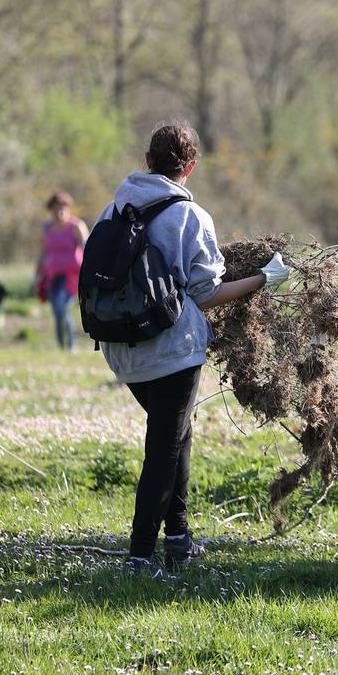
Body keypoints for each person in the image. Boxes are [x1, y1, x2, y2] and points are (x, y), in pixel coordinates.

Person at [99, 121, 290, 578]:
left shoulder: (113, 208)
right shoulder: (191, 217)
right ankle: (140, 557)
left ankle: (179, 540)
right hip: (172, 349)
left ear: (147, 161)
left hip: (121, 346)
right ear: (191, 166)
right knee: (165, 446)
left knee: (176, 434)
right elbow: (206, 294)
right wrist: (267, 278)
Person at [35, 191, 89, 351]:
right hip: (52, 276)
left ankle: (71, 345)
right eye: (56, 209)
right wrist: (37, 274)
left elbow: (88, 249)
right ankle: (61, 345)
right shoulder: (47, 228)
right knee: (57, 312)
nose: (59, 212)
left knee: (62, 308)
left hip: (72, 276)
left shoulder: (76, 226)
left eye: (63, 208)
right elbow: (43, 252)